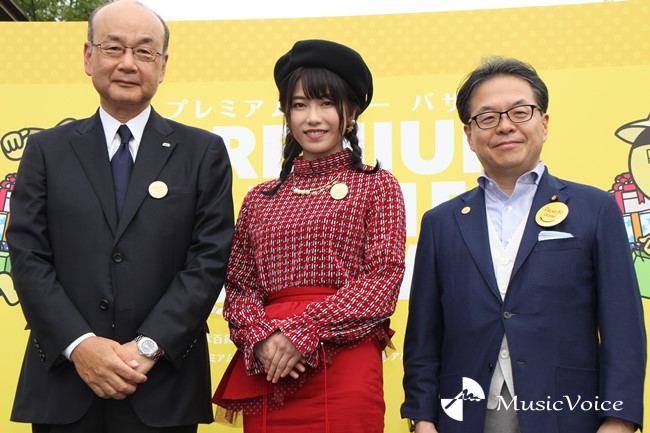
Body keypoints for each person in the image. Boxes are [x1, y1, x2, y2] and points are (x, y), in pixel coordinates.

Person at [7, 1, 234, 432]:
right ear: (88, 56)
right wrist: (80, 346)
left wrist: (147, 347)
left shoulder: (202, 152)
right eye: (113, 48)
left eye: (144, 51)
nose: (128, 63)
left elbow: (209, 260)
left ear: (162, 66)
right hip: (64, 384)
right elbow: (27, 256)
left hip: (163, 385)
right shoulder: (46, 151)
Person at [401, 56, 646, 433]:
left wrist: (619, 421)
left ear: (543, 123)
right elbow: (423, 337)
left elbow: (623, 326)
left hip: (567, 413)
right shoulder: (441, 223)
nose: (505, 126)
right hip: (464, 416)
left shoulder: (596, 209)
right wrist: (422, 419)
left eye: (520, 112)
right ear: (469, 134)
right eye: (488, 117)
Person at [212, 39, 406, 433]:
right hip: (272, 364)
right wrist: (261, 340)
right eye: (300, 105)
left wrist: (303, 331)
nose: (312, 118)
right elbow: (239, 286)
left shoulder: (377, 185)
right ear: (286, 114)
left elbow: (383, 279)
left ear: (350, 113)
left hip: (345, 361)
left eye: (326, 104)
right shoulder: (260, 198)